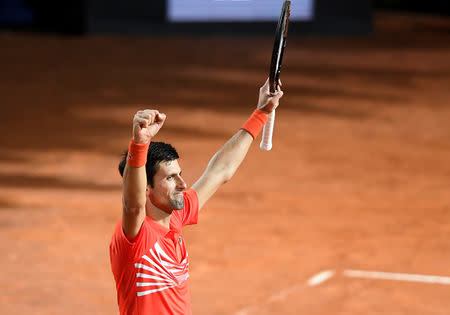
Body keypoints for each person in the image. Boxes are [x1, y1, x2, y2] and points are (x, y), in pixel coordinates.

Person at [109, 78, 284, 315]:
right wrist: (139, 145)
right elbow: (132, 205)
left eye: (179, 174)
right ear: (146, 188)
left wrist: (261, 113)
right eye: (170, 178)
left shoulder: (176, 216)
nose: (182, 184)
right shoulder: (136, 236)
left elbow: (220, 171)